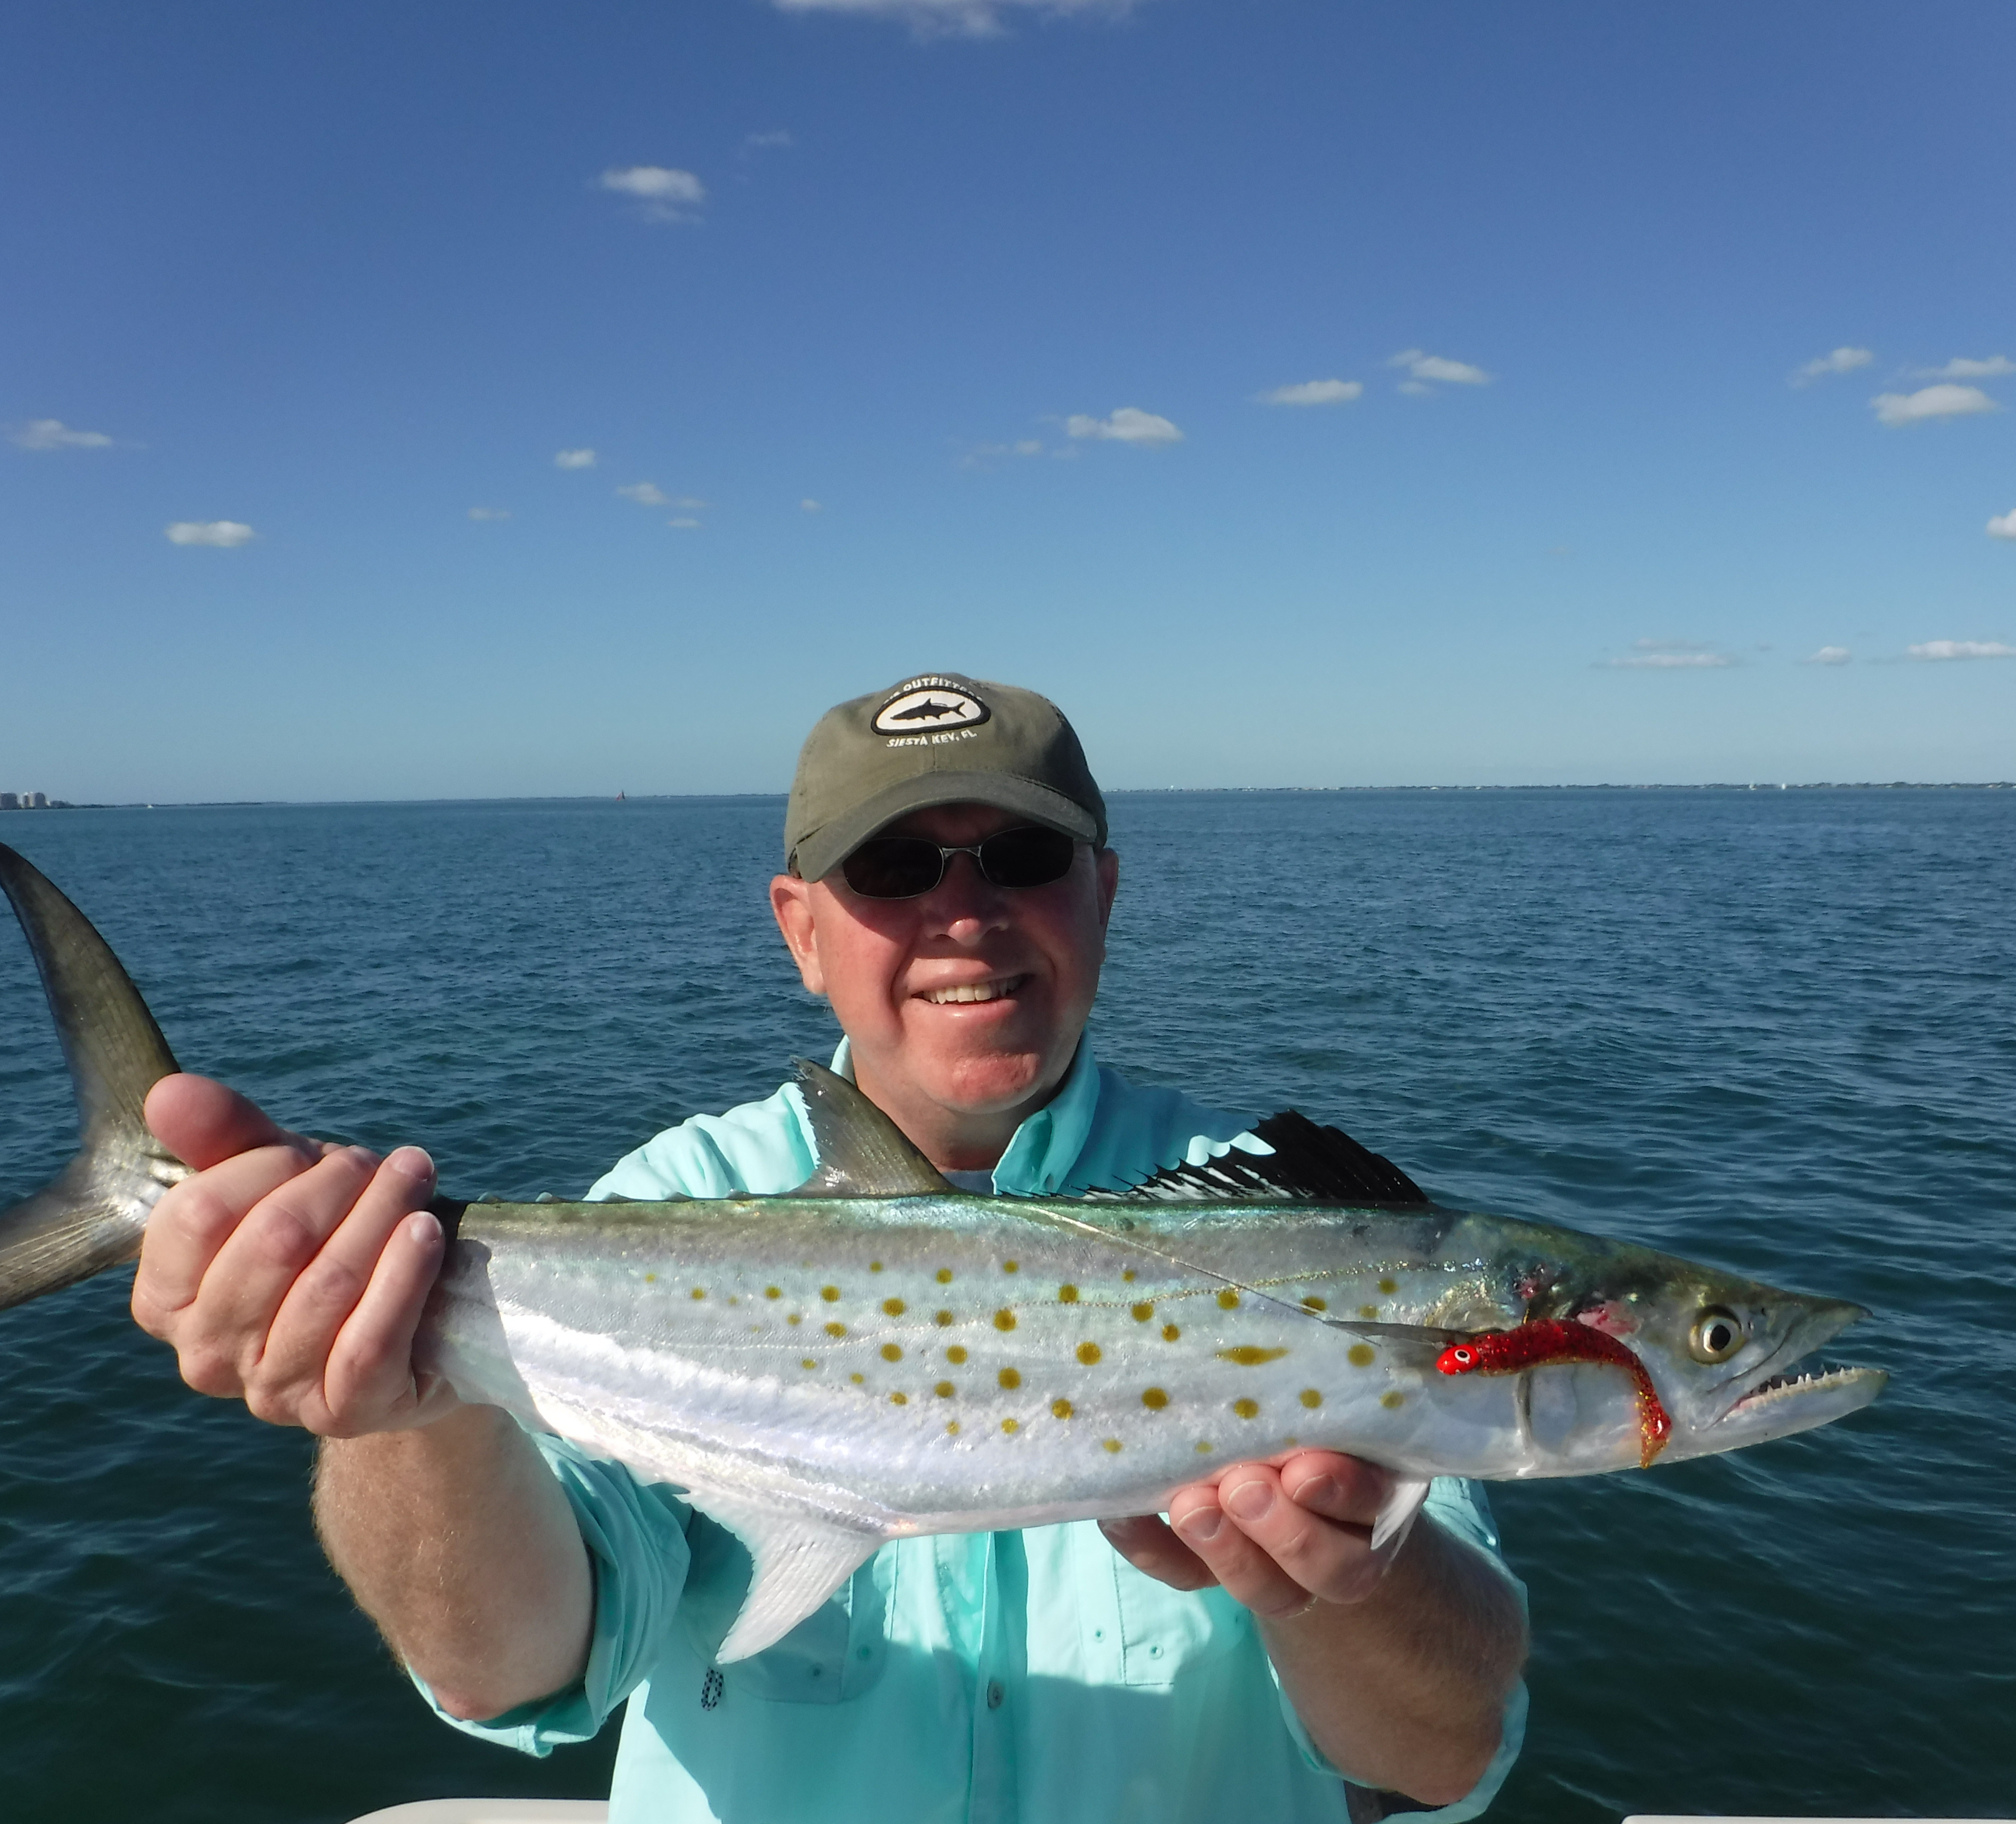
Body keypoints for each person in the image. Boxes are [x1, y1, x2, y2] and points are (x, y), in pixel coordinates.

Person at [130, 671, 1530, 1822]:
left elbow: (1441, 1751)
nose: (966, 913)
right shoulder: (670, 1200)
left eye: (1024, 858)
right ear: (800, 930)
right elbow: (507, 1666)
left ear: (1105, 892)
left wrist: (1357, 1580)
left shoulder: (1306, 1232)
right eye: (896, 867)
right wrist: (405, 1410)